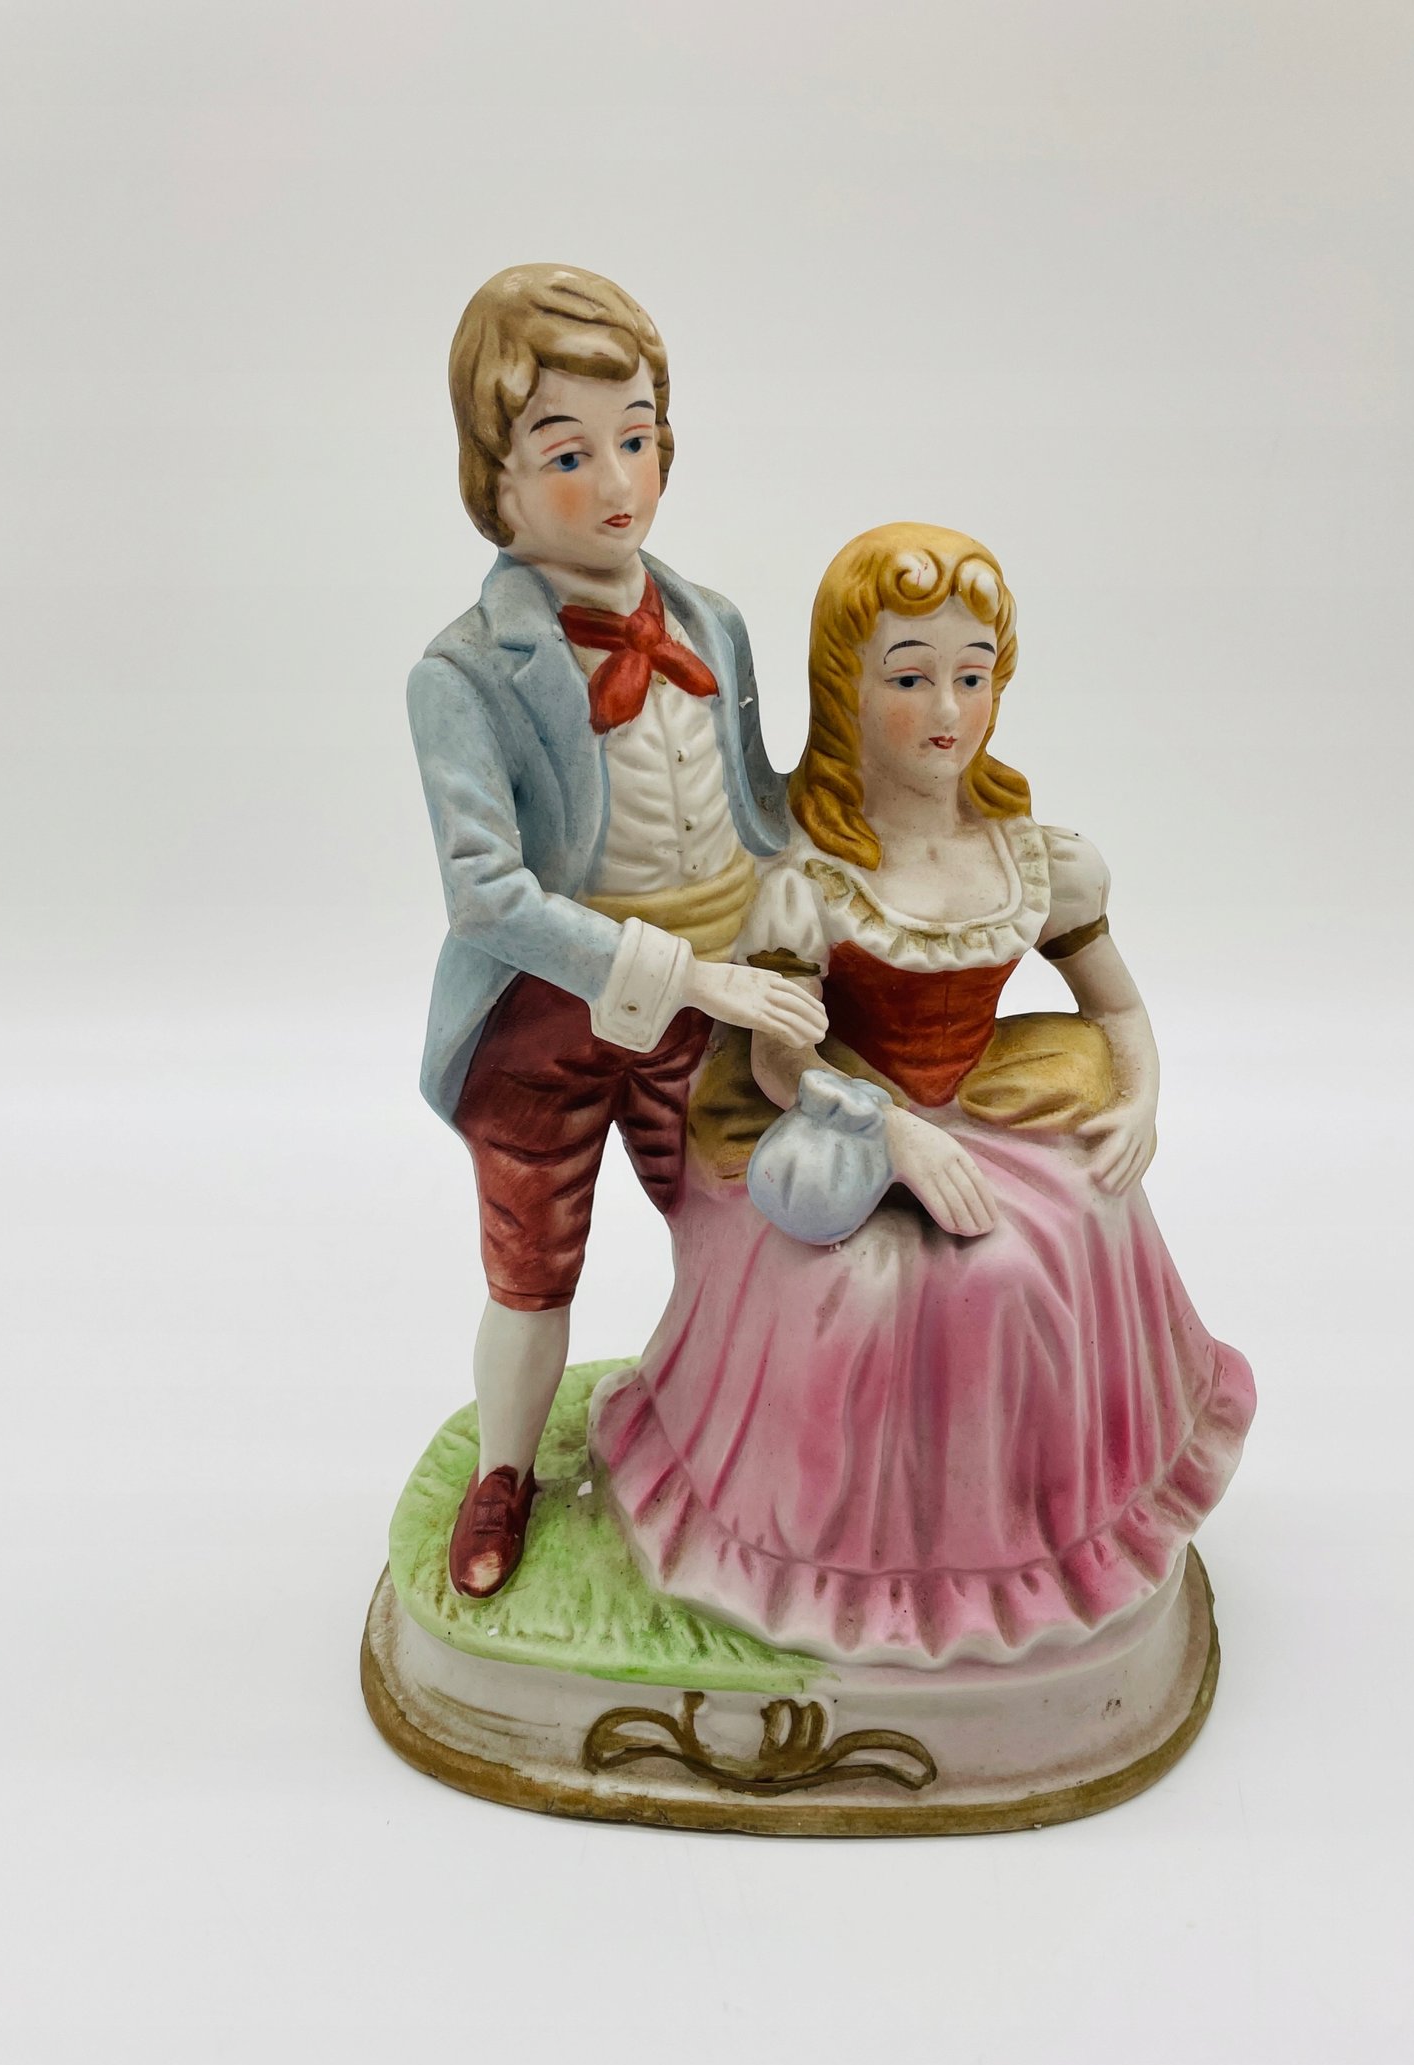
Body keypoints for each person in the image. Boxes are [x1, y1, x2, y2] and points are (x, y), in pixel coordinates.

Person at [591, 523, 1255, 1668]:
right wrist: (892, 1133)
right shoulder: (809, 874)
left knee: (1038, 1251)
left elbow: (1116, 1007)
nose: (948, 709)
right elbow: (780, 1059)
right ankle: (836, 1571)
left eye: (972, 675)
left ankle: (1045, 1545)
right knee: (861, 1291)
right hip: (839, 1116)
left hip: (994, 1104)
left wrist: (1140, 1100)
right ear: (844, 688)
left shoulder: (1033, 859)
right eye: (908, 678)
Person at [409, 265, 825, 1598]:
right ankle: (506, 1473)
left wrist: (821, 894)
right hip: (546, 1018)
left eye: (636, 439)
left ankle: (727, 1446)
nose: (616, 481)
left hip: (712, 1009)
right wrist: (691, 975)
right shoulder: (463, 672)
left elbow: (758, 812)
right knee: (531, 1274)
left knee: (744, 1229)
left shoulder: (713, 625)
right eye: (568, 453)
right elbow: (488, 893)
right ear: (496, 479)